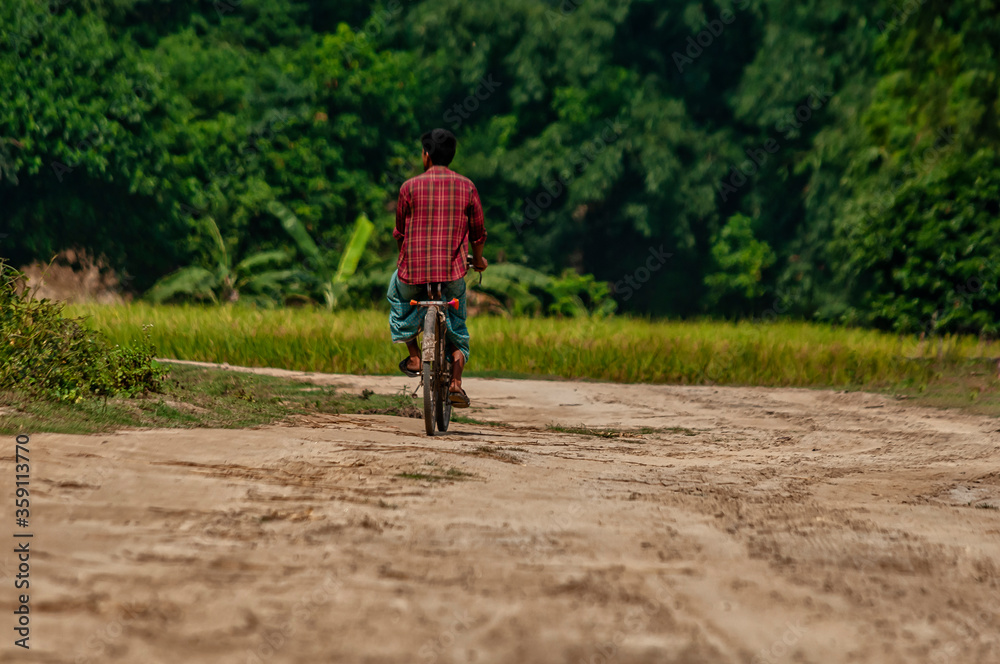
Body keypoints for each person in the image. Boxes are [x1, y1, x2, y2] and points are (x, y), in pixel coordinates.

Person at [387, 128, 487, 407]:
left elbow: (400, 234)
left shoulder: (409, 187)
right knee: (456, 323)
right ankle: (456, 381)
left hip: (412, 274)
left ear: (426, 155)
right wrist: (478, 261)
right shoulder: (467, 187)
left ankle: (415, 355)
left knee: (397, 293)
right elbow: (479, 234)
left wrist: (405, 260)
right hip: (451, 276)